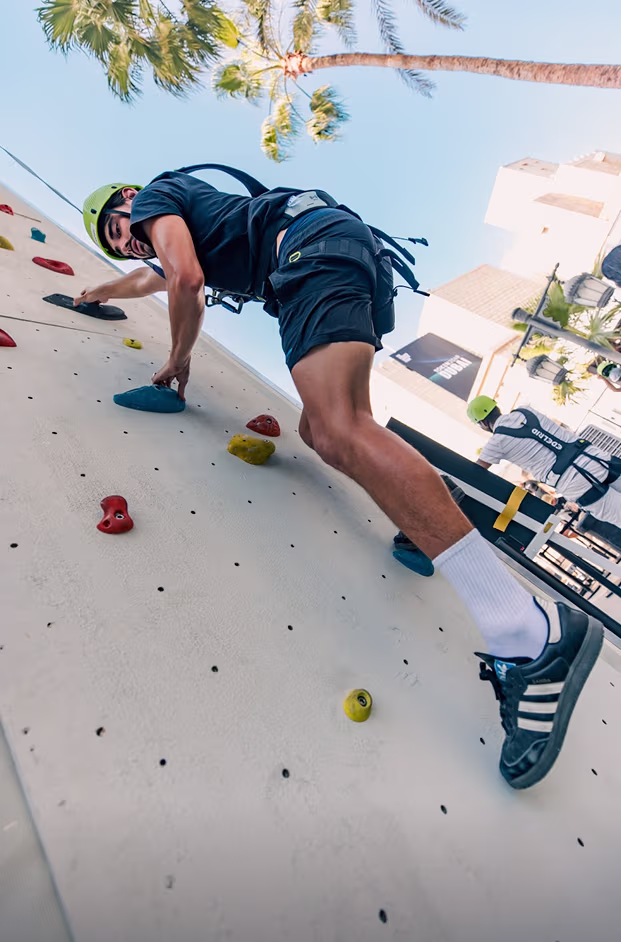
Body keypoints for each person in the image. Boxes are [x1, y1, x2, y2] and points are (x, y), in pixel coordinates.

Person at [76, 171, 603, 790]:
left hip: (309, 252)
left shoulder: (158, 198)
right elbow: (150, 279)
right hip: (336, 250)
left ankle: (527, 633)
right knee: (326, 430)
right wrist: (93, 291)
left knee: (336, 427)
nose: (128, 242)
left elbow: (184, 279)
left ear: (129, 200)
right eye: (117, 244)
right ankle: (433, 504)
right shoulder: (167, 235)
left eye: (120, 229)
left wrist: (177, 359)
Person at [469, 395, 621, 529]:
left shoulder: (495, 443)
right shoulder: (526, 410)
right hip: (599, 460)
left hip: (577, 485)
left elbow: (474, 473)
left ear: (483, 423)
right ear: (496, 407)